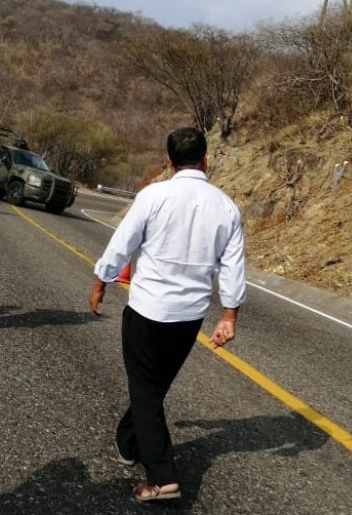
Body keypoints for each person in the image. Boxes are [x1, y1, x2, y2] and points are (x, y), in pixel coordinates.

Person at [89, 127, 246, 503]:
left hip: (147, 311)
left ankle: (162, 477)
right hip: (188, 318)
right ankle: (129, 444)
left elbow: (122, 242)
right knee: (152, 389)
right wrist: (229, 316)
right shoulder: (226, 207)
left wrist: (101, 281)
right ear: (207, 159)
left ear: (169, 161)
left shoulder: (153, 196)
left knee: (144, 391)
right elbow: (233, 266)